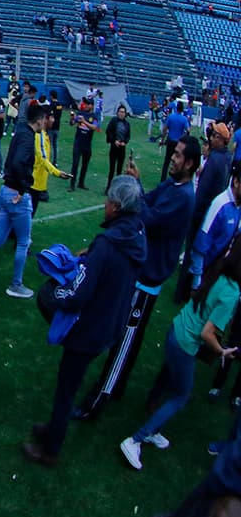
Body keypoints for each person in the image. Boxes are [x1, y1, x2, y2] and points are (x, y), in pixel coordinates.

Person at [21, 176, 147, 466]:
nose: (105, 205)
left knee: (67, 386)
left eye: (108, 200)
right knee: (70, 382)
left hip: (90, 326)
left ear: (116, 206)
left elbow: (78, 295)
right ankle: (53, 428)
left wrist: (56, 294)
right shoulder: (137, 233)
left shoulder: (108, 244)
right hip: (112, 321)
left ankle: (50, 449)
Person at [74, 137, 199, 420]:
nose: (173, 158)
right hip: (142, 271)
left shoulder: (184, 197)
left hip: (147, 279)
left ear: (190, 163)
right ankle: (116, 387)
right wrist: (138, 183)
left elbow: (148, 217)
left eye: (179, 155)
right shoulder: (173, 186)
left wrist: (135, 191)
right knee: (128, 334)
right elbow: (148, 202)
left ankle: (97, 402)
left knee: (125, 339)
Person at [119, 236, 240, 471]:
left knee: (169, 380)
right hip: (185, 343)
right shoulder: (232, 293)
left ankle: (153, 430)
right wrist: (222, 351)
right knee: (181, 396)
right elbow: (207, 333)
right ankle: (135, 440)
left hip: (177, 329)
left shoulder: (220, 271)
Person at [0, 104, 70, 299]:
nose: (46, 123)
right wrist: (23, 188)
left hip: (6, 190)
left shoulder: (21, 133)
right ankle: (16, 284)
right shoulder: (28, 138)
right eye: (45, 119)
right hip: (16, 195)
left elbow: (11, 162)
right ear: (40, 120)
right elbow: (17, 163)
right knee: (23, 242)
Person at [176, 122, 235, 304]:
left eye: (215, 136)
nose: (211, 139)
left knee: (192, 252)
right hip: (217, 212)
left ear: (221, 139)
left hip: (204, 212)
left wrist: (195, 212)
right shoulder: (227, 157)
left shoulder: (215, 159)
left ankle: (182, 292)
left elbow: (203, 190)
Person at [68, 98, 99, 191]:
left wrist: (84, 121)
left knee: (85, 164)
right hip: (78, 142)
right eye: (85, 104)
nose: (86, 106)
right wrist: (72, 118)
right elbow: (72, 123)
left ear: (92, 106)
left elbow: (94, 127)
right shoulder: (80, 113)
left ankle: (81, 182)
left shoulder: (94, 116)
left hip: (87, 143)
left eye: (88, 104)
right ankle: (72, 184)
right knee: (75, 163)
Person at [161, 101, 191, 181]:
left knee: (167, 161)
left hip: (170, 140)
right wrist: (184, 137)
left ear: (176, 108)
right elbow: (188, 130)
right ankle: (174, 178)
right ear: (182, 109)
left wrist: (162, 140)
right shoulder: (184, 119)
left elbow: (165, 129)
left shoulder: (171, 117)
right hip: (178, 143)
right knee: (176, 161)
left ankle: (163, 179)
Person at [104, 105, 131, 190]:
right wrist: (114, 141)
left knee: (119, 169)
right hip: (114, 147)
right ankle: (109, 187)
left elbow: (128, 136)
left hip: (122, 148)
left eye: (123, 112)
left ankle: (116, 188)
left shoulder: (127, 124)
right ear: (117, 112)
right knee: (112, 169)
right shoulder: (113, 121)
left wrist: (124, 142)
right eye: (120, 112)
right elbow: (108, 131)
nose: (122, 114)